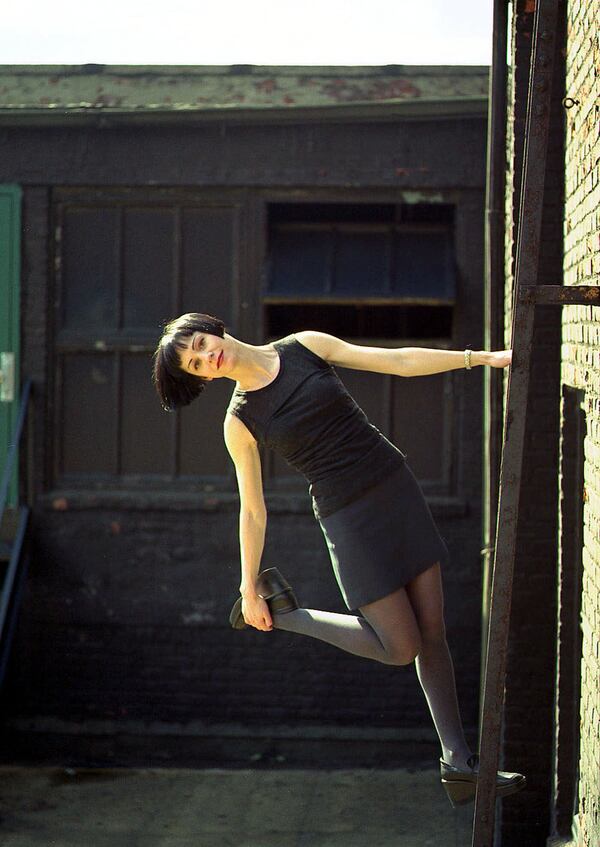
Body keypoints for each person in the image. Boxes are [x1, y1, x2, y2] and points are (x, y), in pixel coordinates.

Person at [153, 311, 526, 806]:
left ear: (214, 328)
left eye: (200, 344)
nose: (206, 357)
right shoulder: (239, 422)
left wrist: (479, 359)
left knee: (434, 632)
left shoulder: (304, 346)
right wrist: (248, 588)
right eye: (197, 364)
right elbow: (253, 510)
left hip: (395, 486)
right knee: (399, 646)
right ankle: (290, 616)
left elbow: (395, 361)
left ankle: (458, 762)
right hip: (348, 519)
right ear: (203, 378)